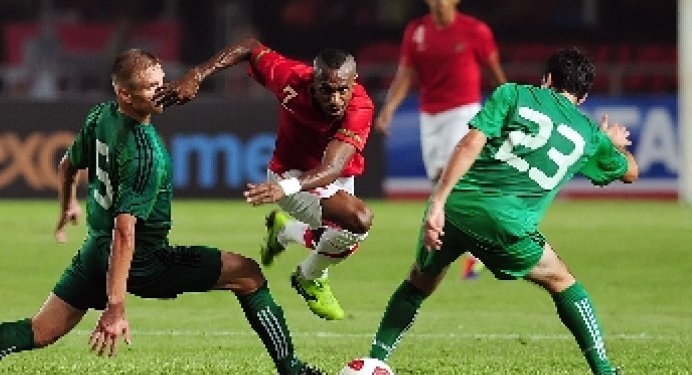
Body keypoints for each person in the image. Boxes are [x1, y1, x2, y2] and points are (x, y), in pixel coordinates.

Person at [0, 49, 323, 375]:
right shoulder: (143, 152)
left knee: (41, 330)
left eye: (162, 81)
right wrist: (115, 306)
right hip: (141, 262)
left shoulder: (101, 115)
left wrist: (67, 203)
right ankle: (294, 370)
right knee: (247, 273)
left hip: (95, 251)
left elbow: (68, 163)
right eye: (151, 87)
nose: (163, 91)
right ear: (125, 93)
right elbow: (126, 231)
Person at [366, 47, 638, 375]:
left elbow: (469, 144)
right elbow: (630, 173)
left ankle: (375, 361)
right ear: (582, 98)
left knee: (419, 282)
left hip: (455, 209)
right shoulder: (588, 135)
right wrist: (613, 144)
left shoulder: (511, 94)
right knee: (563, 281)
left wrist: (437, 202)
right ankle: (604, 370)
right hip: (508, 226)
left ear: (547, 79)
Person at [168, 38, 375, 321]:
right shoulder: (290, 77)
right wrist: (197, 74)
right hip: (288, 174)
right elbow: (249, 47)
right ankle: (309, 277)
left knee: (339, 238)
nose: (335, 99)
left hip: (322, 178)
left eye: (343, 90)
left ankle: (285, 232)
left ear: (354, 82)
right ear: (313, 81)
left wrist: (285, 189)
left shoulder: (360, 108)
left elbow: (334, 167)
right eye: (326, 90)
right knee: (358, 220)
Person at [374, 0, 507, 280]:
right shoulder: (417, 30)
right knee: (438, 180)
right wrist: (389, 108)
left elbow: (494, 70)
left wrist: (509, 106)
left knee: (452, 181)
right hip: (429, 115)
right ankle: (462, 243)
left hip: (463, 111)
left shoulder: (475, 30)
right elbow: (406, 74)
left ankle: (471, 253)